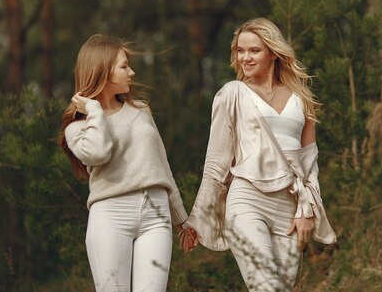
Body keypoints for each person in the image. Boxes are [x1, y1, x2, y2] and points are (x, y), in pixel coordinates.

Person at [182, 18, 336, 292]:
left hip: (290, 207)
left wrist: (307, 210)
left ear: (273, 52)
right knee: (266, 287)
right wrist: (198, 217)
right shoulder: (233, 94)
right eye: (240, 51)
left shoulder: (302, 98)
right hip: (247, 200)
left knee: (281, 288)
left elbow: (309, 163)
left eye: (254, 50)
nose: (245, 57)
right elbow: (216, 161)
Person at [58, 34, 190, 292]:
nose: (131, 72)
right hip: (110, 216)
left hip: (156, 214)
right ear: (102, 72)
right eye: (123, 66)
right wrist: (95, 111)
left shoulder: (141, 110)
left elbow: (162, 166)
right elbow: (99, 153)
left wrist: (181, 219)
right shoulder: (78, 128)